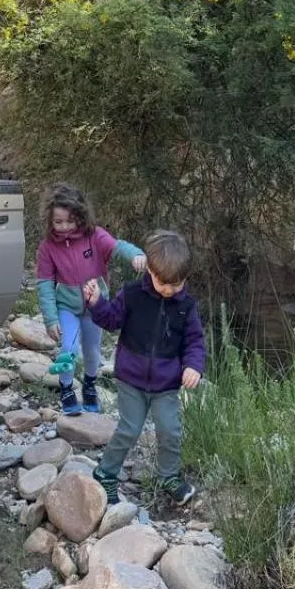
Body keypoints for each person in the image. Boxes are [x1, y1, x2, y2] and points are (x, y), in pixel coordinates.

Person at [82, 229, 204, 506]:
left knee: (170, 430)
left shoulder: (186, 306)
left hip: (166, 383)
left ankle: (169, 476)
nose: (170, 290)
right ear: (149, 269)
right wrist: (97, 303)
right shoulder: (132, 294)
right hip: (131, 378)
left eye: (177, 284)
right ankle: (106, 473)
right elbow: (112, 320)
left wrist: (194, 366)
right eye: (164, 283)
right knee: (129, 428)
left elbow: (195, 341)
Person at [35, 184, 145, 416]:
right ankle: (66, 388)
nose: (64, 227)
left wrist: (135, 255)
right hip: (67, 306)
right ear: (50, 220)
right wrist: (50, 318)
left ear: (81, 217)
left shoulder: (94, 236)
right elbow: (44, 283)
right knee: (69, 347)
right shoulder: (48, 247)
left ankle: (89, 385)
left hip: (95, 306)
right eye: (58, 222)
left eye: (69, 221)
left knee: (93, 350)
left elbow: (118, 247)